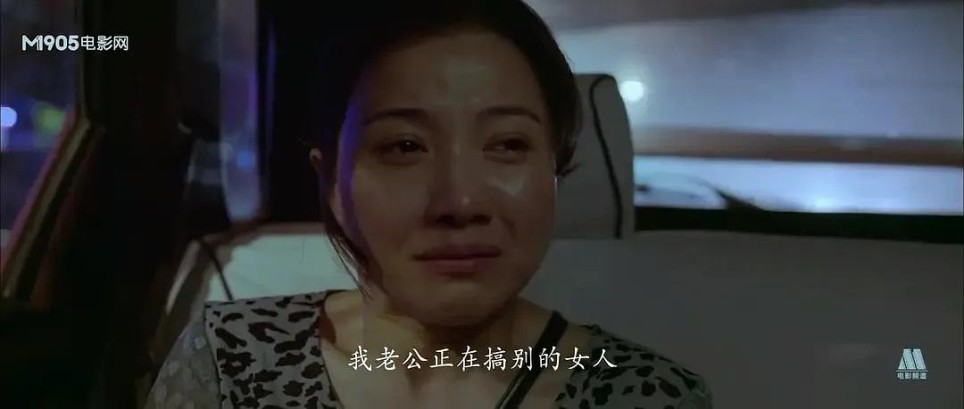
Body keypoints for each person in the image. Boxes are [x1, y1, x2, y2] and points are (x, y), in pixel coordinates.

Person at [146, 0, 713, 407]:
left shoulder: (643, 395)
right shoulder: (231, 362)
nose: (460, 201)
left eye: (508, 144)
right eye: (404, 146)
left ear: (555, 170)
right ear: (332, 183)